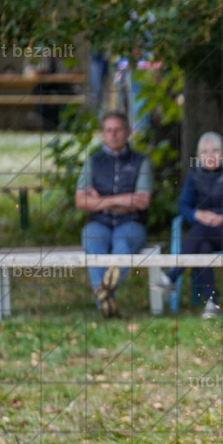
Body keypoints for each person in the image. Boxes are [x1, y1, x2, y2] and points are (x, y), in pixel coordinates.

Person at [153, 132, 223, 319]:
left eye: (215, 151)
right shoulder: (194, 174)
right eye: (205, 152)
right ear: (198, 155)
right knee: (202, 244)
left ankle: (172, 276)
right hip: (205, 235)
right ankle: (212, 303)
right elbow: (183, 206)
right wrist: (197, 214)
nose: (210, 156)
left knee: (200, 230)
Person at [75, 112, 154, 317]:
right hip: (99, 223)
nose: (113, 135)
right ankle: (105, 299)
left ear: (127, 132)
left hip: (131, 223)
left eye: (117, 130)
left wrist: (99, 201)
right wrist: (122, 200)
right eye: (108, 130)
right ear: (103, 134)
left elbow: (142, 202)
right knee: (93, 240)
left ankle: (102, 296)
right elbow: (80, 201)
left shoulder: (141, 161)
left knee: (122, 244)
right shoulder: (93, 161)